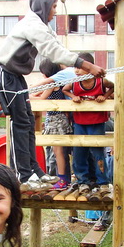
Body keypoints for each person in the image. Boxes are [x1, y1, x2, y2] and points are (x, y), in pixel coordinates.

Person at [0, 0, 104, 188]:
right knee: (18, 123)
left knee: (27, 121)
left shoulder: (42, 26)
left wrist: (77, 63)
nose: (55, 11)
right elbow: (51, 51)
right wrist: (86, 65)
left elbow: (56, 46)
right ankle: (22, 175)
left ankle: (35, 170)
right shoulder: (31, 24)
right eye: (53, 7)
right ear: (43, 6)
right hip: (5, 74)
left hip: (16, 76)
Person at [63, 53, 114, 198]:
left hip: (97, 122)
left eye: (80, 68)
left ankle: (102, 181)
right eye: (76, 68)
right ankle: (82, 180)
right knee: (79, 151)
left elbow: (113, 86)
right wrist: (73, 97)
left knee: (98, 152)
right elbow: (64, 89)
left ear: (90, 68)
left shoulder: (100, 81)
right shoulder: (75, 82)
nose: (77, 71)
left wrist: (104, 96)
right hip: (80, 122)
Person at [31, 61, 76, 189]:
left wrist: (26, 97)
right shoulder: (57, 83)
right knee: (59, 151)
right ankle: (64, 178)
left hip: (56, 119)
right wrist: (31, 95)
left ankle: (62, 179)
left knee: (58, 151)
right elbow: (38, 94)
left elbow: (41, 99)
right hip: (58, 118)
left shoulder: (51, 83)